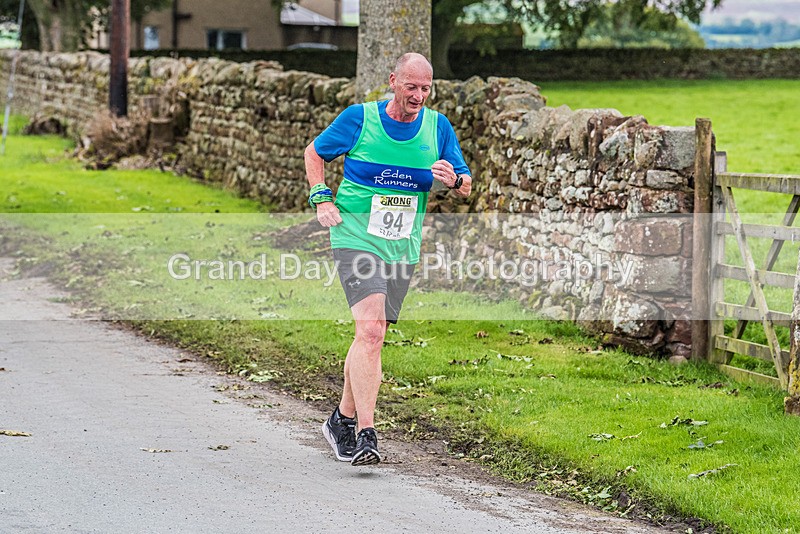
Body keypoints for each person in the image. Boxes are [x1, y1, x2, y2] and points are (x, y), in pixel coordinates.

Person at [304, 52, 472, 466]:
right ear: (393, 80)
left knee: (371, 336)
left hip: (401, 244)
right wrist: (321, 197)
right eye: (411, 86)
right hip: (356, 235)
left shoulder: (437, 127)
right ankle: (366, 433)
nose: (418, 96)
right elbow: (314, 153)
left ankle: (340, 419)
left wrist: (456, 180)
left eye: (426, 88)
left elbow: (465, 182)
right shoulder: (360, 118)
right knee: (372, 329)